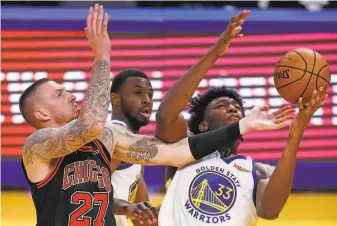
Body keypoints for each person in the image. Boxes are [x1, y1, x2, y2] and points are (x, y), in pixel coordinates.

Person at [20, 5, 295, 226]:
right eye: (59, 94)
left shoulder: (109, 137)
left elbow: (176, 153)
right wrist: (102, 55)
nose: (70, 95)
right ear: (41, 113)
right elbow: (89, 126)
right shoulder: (37, 147)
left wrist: (242, 127)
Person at [155, 10, 327, 226]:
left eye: (237, 107)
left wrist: (296, 132)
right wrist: (213, 54)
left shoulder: (255, 170)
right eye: (221, 105)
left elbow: (270, 210)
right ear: (203, 124)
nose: (232, 109)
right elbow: (164, 116)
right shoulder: (182, 151)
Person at [109, 69, 158, 226]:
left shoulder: (133, 147)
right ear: (116, 99)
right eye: (138, 93)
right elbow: (88, 193)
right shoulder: (111, 136)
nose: (147, 100)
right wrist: (127, 208)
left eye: (150, 95)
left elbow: (145, 220)